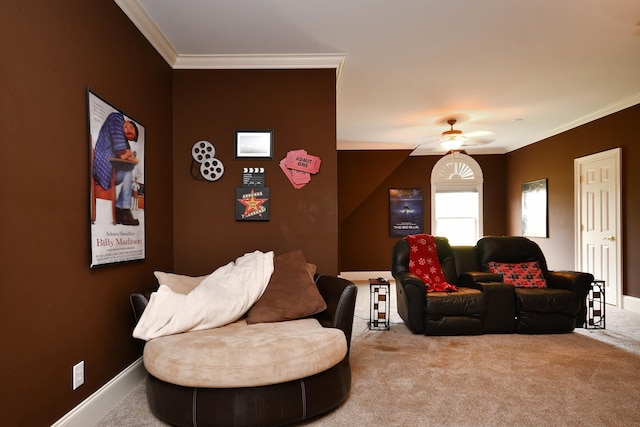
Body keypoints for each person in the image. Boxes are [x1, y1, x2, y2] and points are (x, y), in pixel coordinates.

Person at [92, 112, 140, 225]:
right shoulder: (116, 119)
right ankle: (123, 211)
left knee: (128, 172)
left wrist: (130, 155)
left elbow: (129, 159)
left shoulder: (123, 138)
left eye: (130, 136)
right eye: (130, 128)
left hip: (111, 171)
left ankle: (122, 210)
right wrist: (130, 154)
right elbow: (123, 154)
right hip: (101, 168)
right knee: (127, 170)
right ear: (127, 121)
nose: (128, 132)